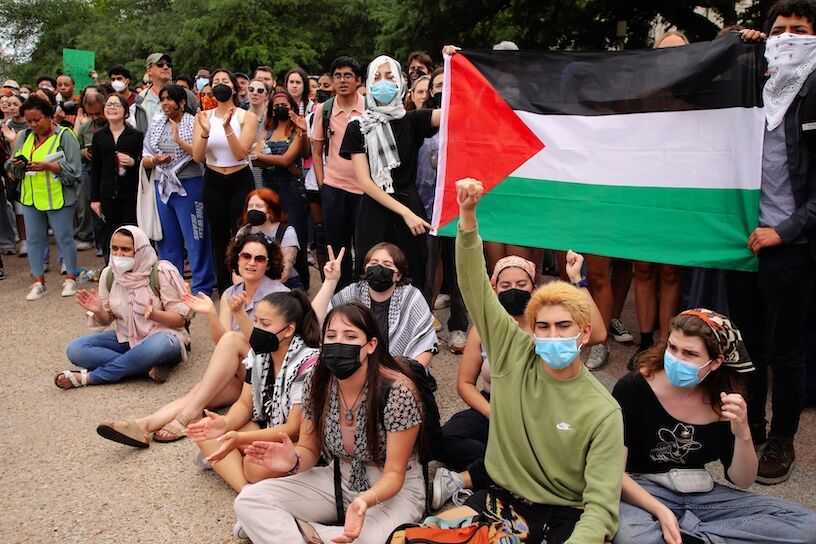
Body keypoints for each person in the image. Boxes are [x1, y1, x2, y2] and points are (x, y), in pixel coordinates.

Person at [442, 177, 623, 544]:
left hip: (565, 516)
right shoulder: (512, 352)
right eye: (543, 327)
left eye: (563, 326)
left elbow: (601, 509)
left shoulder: (604, 411)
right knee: (408, 536)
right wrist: (468, 216)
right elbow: (474, 284)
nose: (552, 335)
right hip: (500, 501)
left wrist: (577, 281)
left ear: (583, 334)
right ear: (532, 330)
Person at [613, 308, 816, 544]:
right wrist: (661, 511)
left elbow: (743, 480)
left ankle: (693, 536)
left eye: (689, 353)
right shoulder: (633, 388)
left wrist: (743, 434)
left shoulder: (725, 398)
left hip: (701, 494)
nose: (677, 358)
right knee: (634, 538)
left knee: (808, 525)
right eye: (672, 347)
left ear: (716, 362)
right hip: (641, 490)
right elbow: (614, 474)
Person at [233, 301, 426, 543]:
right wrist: (292, 461)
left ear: (371, 345)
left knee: (366, 540)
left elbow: (395, 474)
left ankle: (295, 532)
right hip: (338, 478)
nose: (339, 343)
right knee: (249, 501)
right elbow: (309, 449)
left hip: (388, 490)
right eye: (332, 336)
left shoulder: (396, 391)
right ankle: (306, 533)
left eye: (350, 336)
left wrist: (364, 501)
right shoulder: (317, 381)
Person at [728, 0, 816, 484]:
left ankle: (781, 437)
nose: (788, 37)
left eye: (799, 30)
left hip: (791, 244)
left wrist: (784, 230)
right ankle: (751, 427)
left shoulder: (814, 91)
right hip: (740, 242)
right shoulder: (751, 87)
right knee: (748, 344)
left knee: (785, 348)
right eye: (779, 30)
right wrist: (732, 51)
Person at [97, 233, 288, 444]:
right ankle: (144, 425)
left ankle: (188, 416)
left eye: (259, 258)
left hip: (271, 374)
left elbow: (267, 349)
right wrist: (211, 314)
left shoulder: (279, 296)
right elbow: (222, 342)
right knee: (199, 393)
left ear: (269, 264)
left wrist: (240, 315)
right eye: (246, 256)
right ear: (238, 258)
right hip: (242, 374)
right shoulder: (229, 294)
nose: (251, 262)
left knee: (226, 352)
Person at [185, 291, 321, 492]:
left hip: (294, 441)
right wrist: (225, 424)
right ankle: (246, 494)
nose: (256, 328)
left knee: (253, 467)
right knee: (207, 433)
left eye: (265, 324)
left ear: (289, 330)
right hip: (268, 427)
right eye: (256, 321)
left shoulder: (308, 363)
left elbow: (293, 428)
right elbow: (244, 404)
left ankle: (233, 468)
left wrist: (237, 438)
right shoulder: (259, 354)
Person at [340, 55, 444, 291]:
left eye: (389, 77)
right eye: (376, 77)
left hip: (411, 212)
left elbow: (457, 112)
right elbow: (366, 183)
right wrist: (405, 213)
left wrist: (455, 63)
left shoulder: (413, 120)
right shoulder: (358, 126)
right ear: (366, 84)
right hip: (376, 211)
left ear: (401, 83)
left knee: (410, 275)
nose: (383, 83)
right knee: (373, 277)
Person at [56, 225, 191, 388]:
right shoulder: (109, 274)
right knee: (75, 349)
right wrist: (98, 310)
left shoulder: (161, 271)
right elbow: (107, 320)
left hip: (163, 337)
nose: (119, 254)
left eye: (126, 249)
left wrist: (155, 315)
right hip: (127, 338)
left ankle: (92, 377)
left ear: (139, 250)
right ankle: (142, 366)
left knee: (156, 347)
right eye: (114, 248)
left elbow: (179, 321)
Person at [142, 83, 216, 296]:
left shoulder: (194, 123)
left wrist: (178, 140)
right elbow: (145, 160)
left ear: (182, 102)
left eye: (169, 99)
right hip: (163, 185)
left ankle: (202, 287)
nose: (165, 103)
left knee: (196, 236)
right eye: (162, 99)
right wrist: (155, 160)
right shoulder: (157, 125)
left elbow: (199, 155)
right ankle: (171, 286)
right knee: (167, 238)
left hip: (189, 185)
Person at [6, 94, 82, 300]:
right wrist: (17, 165)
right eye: (29, 121)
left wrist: (50, 166)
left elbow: (76, 171)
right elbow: (10, 165)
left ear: (49, 116)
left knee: (64, 238)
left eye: (37, 120)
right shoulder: (24, 136)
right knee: (34, 240)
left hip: (59, 197)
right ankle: (39, 282)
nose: (33, 124)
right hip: (31, 197)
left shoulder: (65, 136)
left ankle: (71, 278)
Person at [314, 242, 437, 367]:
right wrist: (330, 281)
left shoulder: (411, 298)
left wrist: (406, 377)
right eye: (373, 263)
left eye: (387, 264)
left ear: (398, 275)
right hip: (354, 368)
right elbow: (313, 321)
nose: (378, 268)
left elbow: (426, 345)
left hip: (399, 372)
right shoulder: (353, 293)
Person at [415, 67, 468, 352]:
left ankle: (459, 325)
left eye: (445, 84)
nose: (439, 90)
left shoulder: (465, 121)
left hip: (457, 207)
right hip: (425, 208)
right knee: (426, 267)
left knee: (458, 269)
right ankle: (423, 324)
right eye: (436, 85)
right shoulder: (420, 124)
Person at [192, 69, 258, 292]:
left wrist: (228, 127)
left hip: (240, 178)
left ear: (234, 87)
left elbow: (241, 153)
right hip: (213, 179)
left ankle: (245, 284)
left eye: (225, 81)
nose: (221, 84)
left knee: (240, 234)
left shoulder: (246, 116)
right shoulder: (203, 117)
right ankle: (224, 286)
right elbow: (198, 156)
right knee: (218, 236)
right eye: (216, 81)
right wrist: (205, 132)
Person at [312, 56, 366, 290]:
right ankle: (340, 296)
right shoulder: (323, 111)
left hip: (366, 190)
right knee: (338, 247)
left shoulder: (370, 108)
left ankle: (364, 295)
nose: (342, 81)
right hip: (334, 189)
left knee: (364, 246)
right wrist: (323, 185)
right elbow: (316, 152)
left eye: (347, 76)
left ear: (358, 80)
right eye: (337, 76)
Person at [254, 90, 310, 288]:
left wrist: (278, 161)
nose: (280, 108)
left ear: (292, 107)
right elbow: (255, 160)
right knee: (271, 234)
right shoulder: (266, 131)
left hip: (292, 190)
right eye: (276, 105)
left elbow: (289, 157)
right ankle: (276, 281)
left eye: (284, 105)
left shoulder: (298, 131)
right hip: (270, 189)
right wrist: (284, 164)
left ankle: (300, 283)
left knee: (296, 235)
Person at [90, 94, 143, 259]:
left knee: (131, 232)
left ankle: (134, 269)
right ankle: (110, 270)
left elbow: (144, 162)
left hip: (131, 194)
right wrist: (94, 199)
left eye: (116, 105)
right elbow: (95, 168)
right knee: (110, 234)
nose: (111, 108)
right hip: (107, 194)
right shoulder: (99, 136)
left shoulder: (136, 136)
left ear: (126, 112)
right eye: (109, 104)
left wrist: (133, 162)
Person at [235, 189, 301, 289]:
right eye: (250, 206)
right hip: (250, 285)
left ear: (271, 210)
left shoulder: (286, 232)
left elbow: (284, 273)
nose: (253, 210)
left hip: (283, 285)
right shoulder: (243, 232)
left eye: (259, 206)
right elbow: (236, 268)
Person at [245, 78, 269, 189]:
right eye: (251, 89)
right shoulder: (239, 116)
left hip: (265, 167)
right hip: (245, 168)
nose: (255, 93)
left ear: (266, 95)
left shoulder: (271, 118)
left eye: (260, 91)